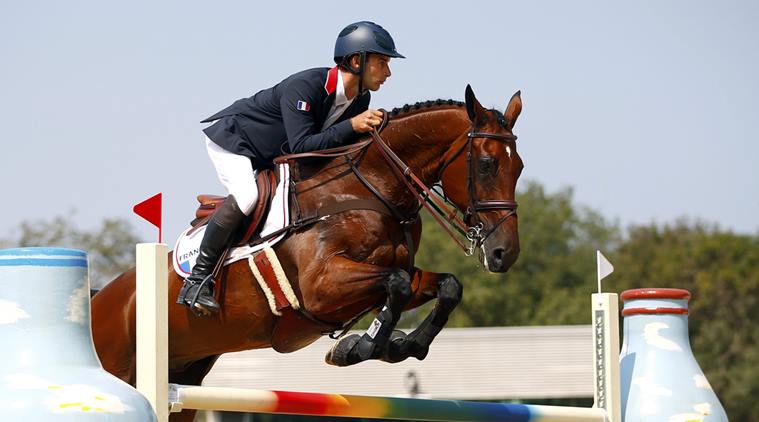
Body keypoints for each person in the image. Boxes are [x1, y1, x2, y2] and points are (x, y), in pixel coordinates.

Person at [177, 21, 405, 315]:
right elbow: (301, 146)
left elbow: (330, 150)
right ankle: (197, 281)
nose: (388, 72)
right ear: (356, 60)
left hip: (275, 155)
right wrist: (351, 125)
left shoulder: (361, 98)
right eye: (382, 62)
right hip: (237, 142)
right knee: (247, 196)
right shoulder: (307, 85)